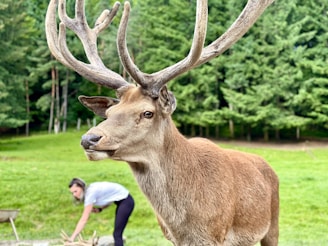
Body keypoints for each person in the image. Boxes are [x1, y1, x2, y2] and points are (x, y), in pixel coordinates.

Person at [67, 178, 134, 246]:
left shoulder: (90, 194)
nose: (74, 195)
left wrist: (72, 238)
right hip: (121, 201)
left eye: (75, 191)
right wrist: (100, 209)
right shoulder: (89, 190)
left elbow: (84, 220)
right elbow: (109, 198)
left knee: (117, 234)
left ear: (81, 187)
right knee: (117, 234)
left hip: (126, 201)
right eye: (72, 193)